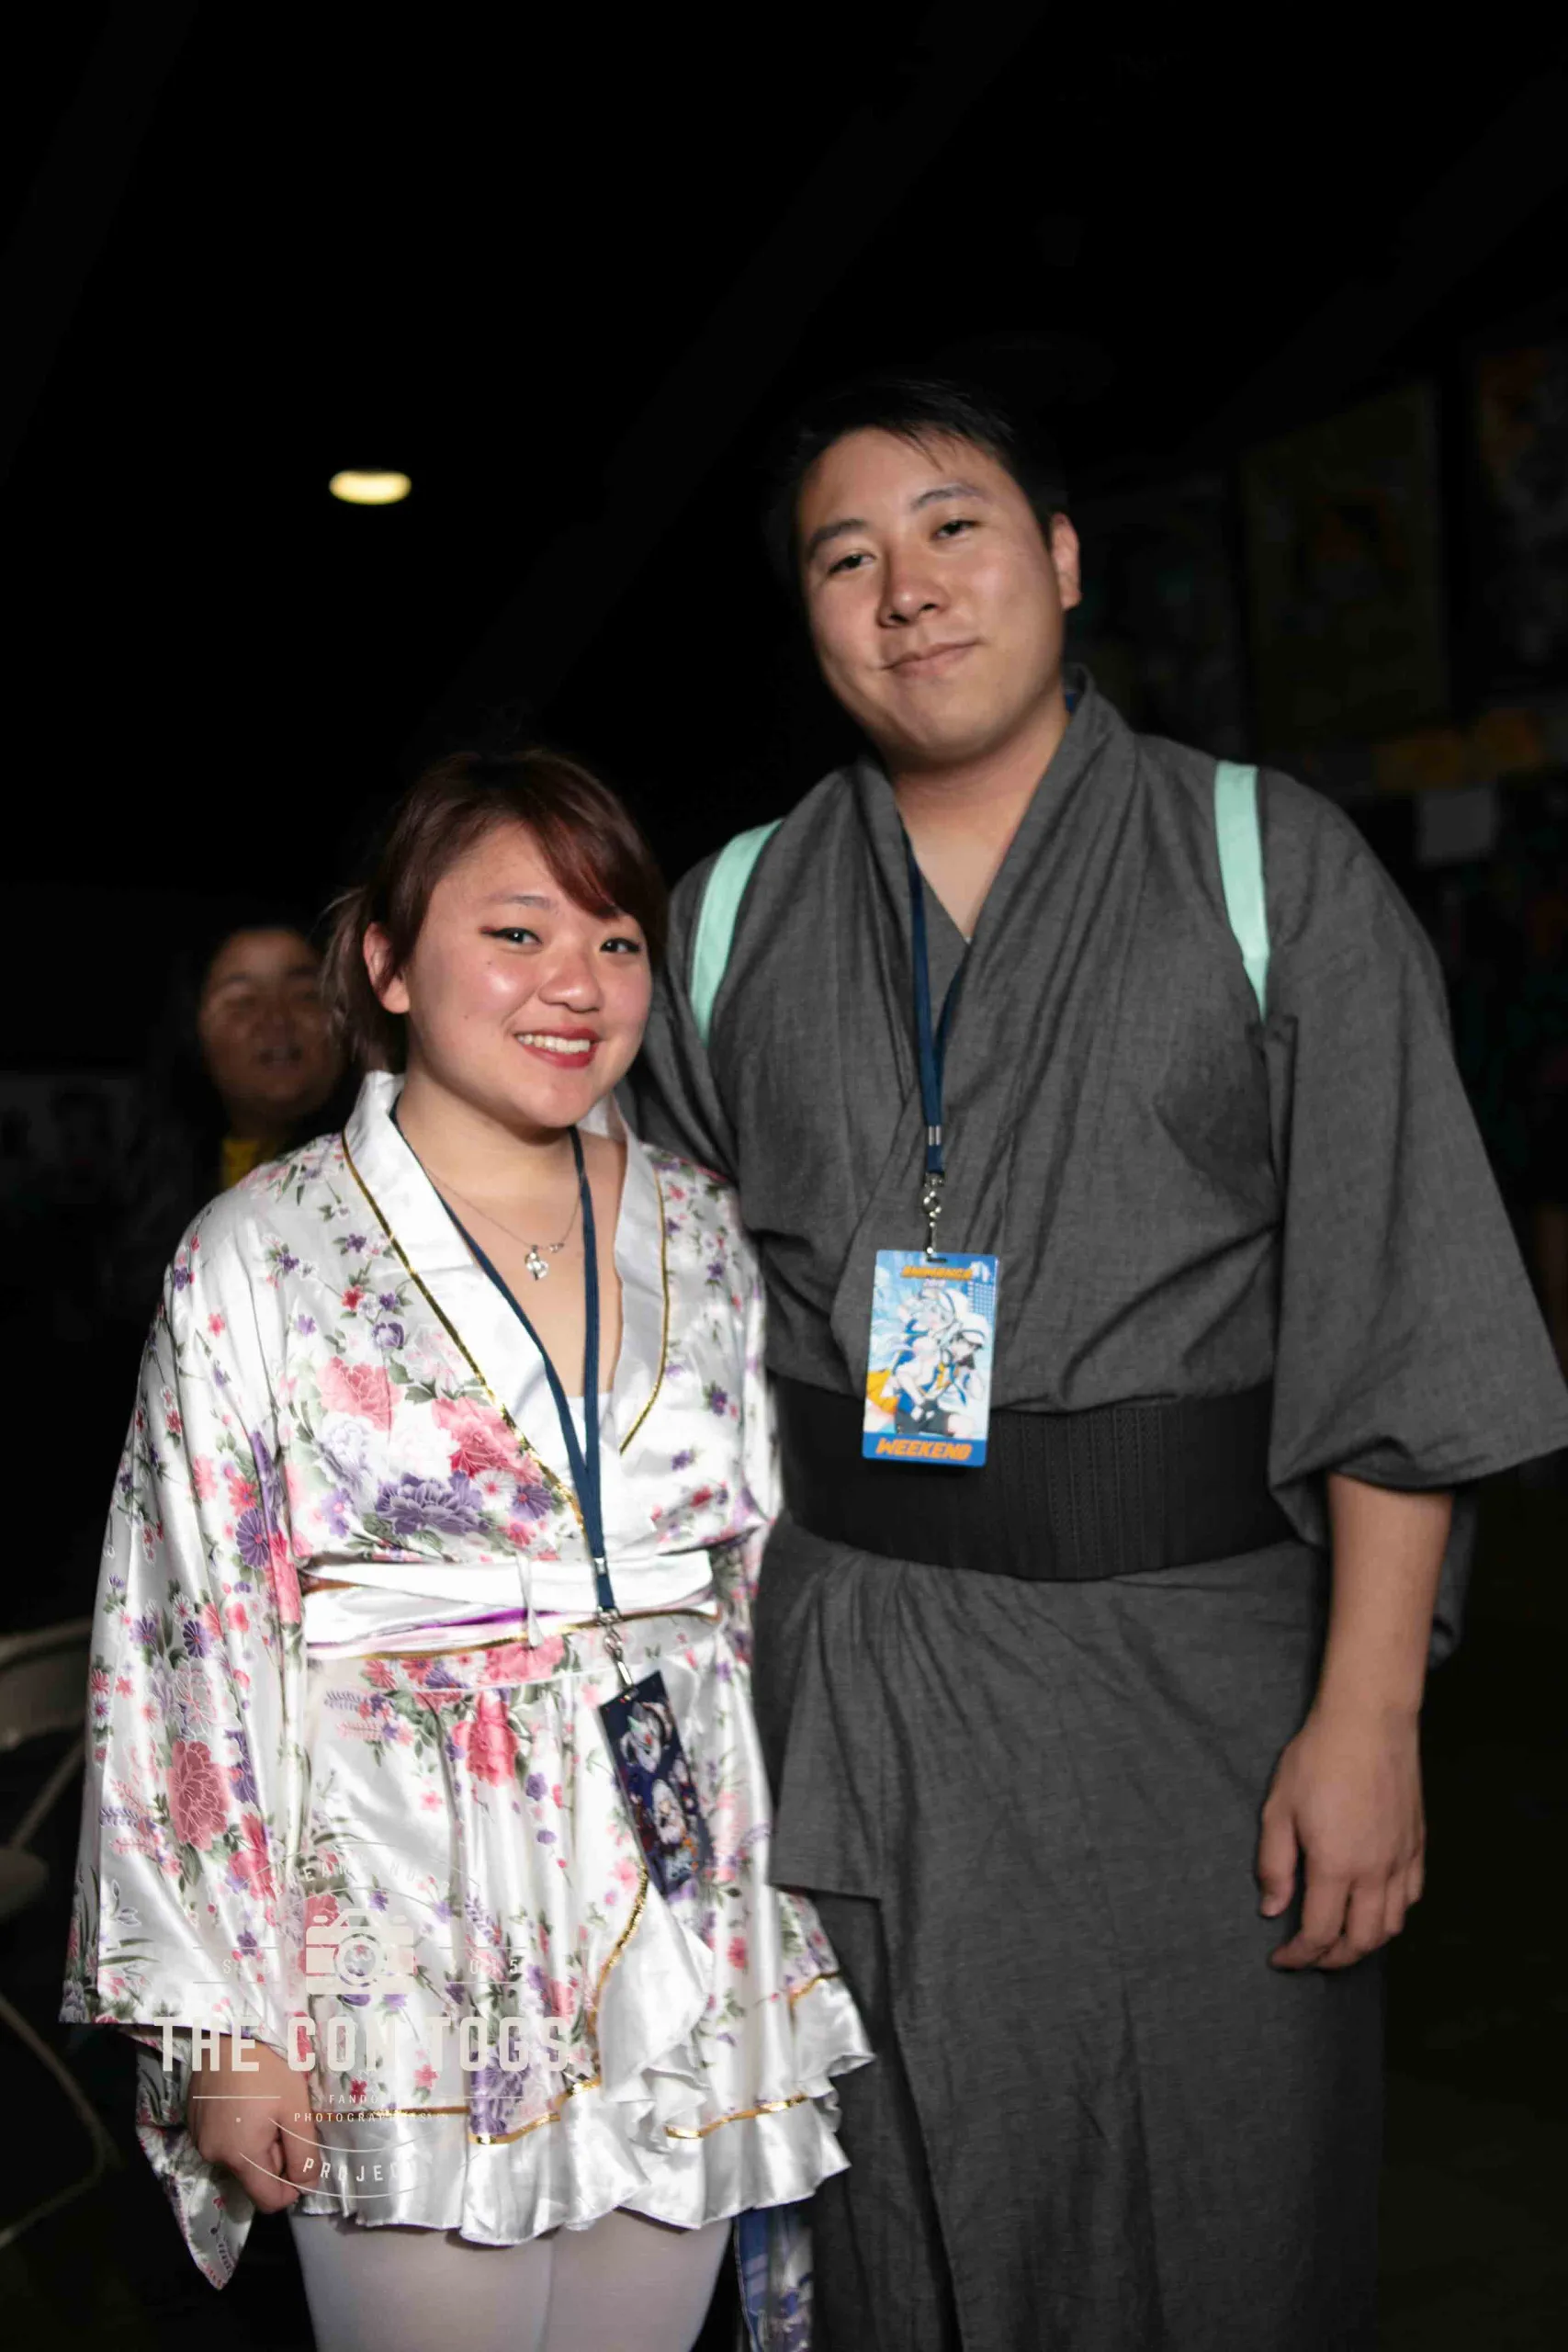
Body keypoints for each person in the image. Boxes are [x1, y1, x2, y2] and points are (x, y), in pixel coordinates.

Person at [629, 374, 1568, 2350]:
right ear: (807, 615)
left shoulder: (1262, 863)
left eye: (953, 527)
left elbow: (1401, 1312)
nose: (906, 588)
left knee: (1216, 2233)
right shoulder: (722, 920)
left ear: (1060, 561)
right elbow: (645, 1347)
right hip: (847, 1696)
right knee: (888, 2249)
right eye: (845, 555)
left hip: (1193, 1694)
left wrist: (1370, 1715)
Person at [63, 749, 868, 2352]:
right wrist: (225, 2023)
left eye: (616, 939)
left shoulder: (707, 1230)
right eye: (515, 933)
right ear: (387, 964)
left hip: (677, 1887)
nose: (577, 982)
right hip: (394, 1923)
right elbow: (180, 1639)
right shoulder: (260, 1253)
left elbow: (771, 1576)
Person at [113, 917, 352, 1329]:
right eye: (242, 1001)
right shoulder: (152, 1187)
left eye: (306, 995)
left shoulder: (383, 1172)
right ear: (193, 1031)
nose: (277, 1020)